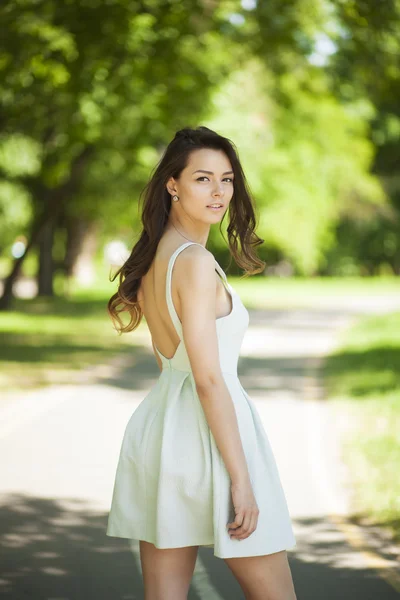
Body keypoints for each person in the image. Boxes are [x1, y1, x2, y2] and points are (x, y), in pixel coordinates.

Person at [106, 126, 297, 600]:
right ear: (173, 184)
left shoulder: (155, 258)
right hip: (214, 436)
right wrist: (241, 480)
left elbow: (167, 359)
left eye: (227, 180)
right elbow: (209, 378)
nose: (219, 192)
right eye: (202, 179)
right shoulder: (192, 261)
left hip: (165, 431)